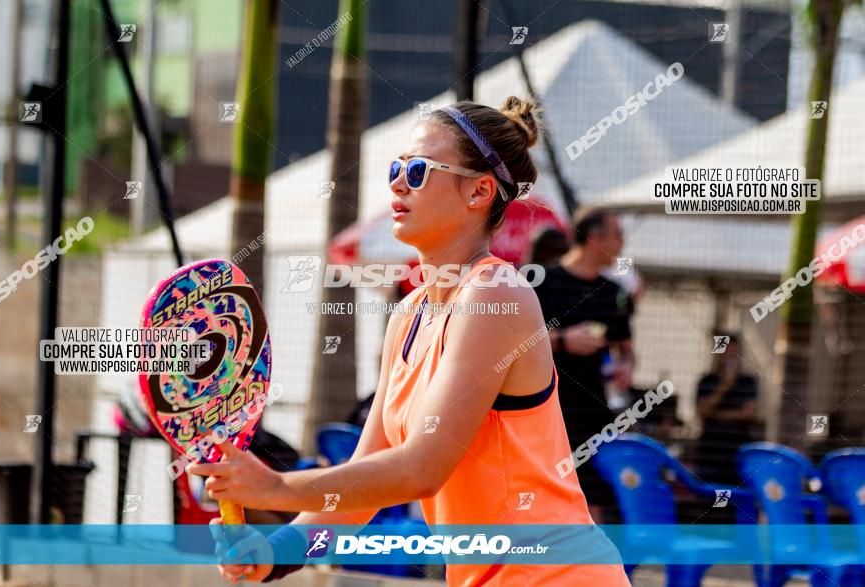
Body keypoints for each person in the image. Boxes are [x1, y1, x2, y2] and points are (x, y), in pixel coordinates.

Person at [189, 97, 630, 585]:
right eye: (396, 168)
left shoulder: (494, 294)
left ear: (479, 191)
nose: (398, 182)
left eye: (418, 170)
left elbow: (421, 469)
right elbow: (367, 484)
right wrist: (275, 553)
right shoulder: (409, 314)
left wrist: (275, 488)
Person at [533, 207, 635, 523]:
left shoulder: (614, 293)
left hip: (592, 414)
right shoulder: (540, 281)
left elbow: (627, 349)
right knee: (540, 496)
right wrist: (562, 339)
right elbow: (509, 343)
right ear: (594, 239)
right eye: (617, 235)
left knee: (593, 499)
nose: (622, 244)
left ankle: (587, 568)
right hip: (542, 409)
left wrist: (626, 368)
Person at [696, 334, 760, 485]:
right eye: (726, 351)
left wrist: (717, 415)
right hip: (710, 453)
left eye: (734, 351)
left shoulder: (748, 382)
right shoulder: (707, 380)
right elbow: (702, 411)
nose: (730, 356)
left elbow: (749, 414)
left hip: (738, 451)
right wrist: (724, 386)